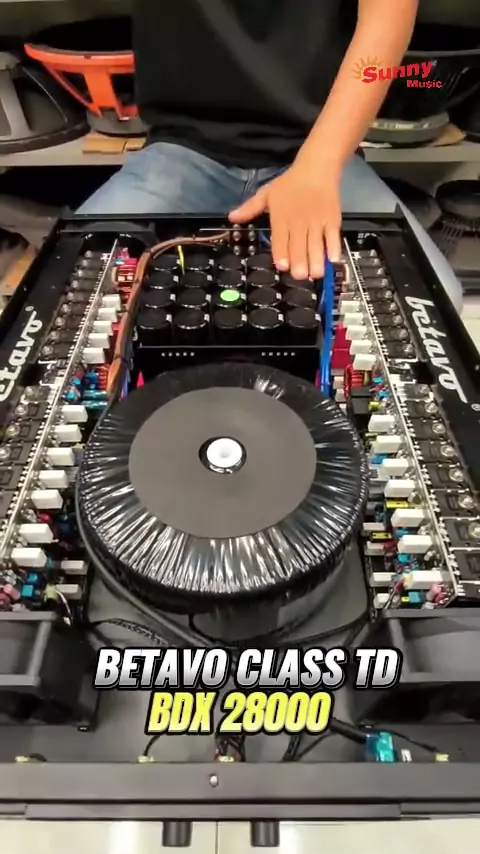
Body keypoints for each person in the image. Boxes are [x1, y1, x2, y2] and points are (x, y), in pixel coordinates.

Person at [78, 0, 462, 309]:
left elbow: (387, 20)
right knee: (75, 293)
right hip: (182, 148)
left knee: (437, 302)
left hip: (319, 150)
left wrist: (317, 169)